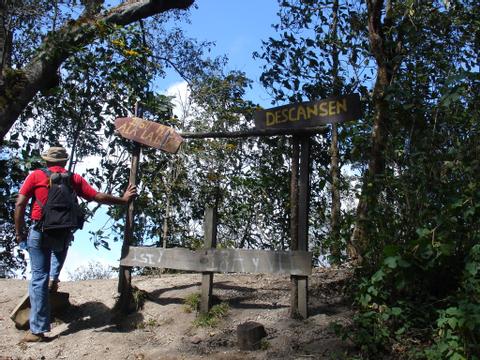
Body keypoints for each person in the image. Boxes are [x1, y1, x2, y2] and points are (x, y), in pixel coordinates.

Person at [14, 146, 137, 342]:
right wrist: (123, 200)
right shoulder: (74, 179)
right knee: (60, 248)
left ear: (46, 161)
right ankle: (54, 277)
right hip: (63, 232)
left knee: (38, 277)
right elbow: (97, 196)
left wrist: (19, 233)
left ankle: (37, 330)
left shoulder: (35, 176)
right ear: (64, 162)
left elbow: (20, 204)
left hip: (39, 230)